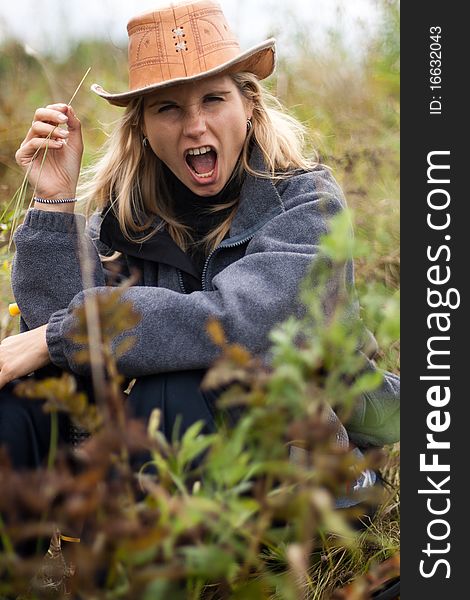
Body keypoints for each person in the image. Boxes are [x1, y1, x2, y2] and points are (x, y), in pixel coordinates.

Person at [0, 0, 399, 479]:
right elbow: (59, 347)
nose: (194, 126)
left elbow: (248, 327)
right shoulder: (125, 218)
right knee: (18, 399)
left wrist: (61, 336)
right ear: (143, 128)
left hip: (303, 464)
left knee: (170, 388)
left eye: (213, 99)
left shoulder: (306, 204)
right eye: (167, 108)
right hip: (168, 461)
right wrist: (53, 200)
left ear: (249, 105)